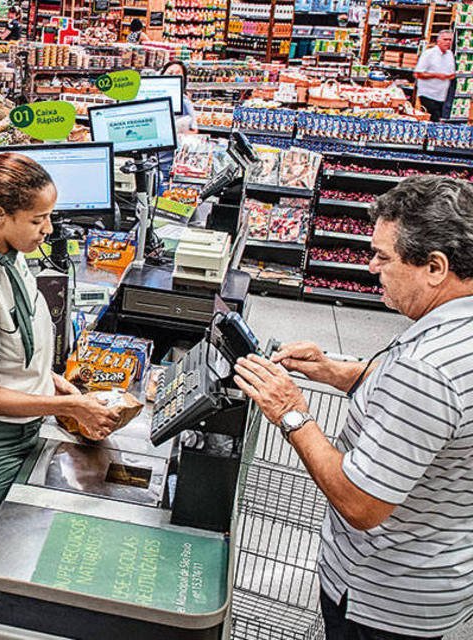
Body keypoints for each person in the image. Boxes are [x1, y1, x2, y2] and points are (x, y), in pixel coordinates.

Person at [233, 175, 473, 639]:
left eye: (383, 256)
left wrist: (291, 412)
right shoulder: (454, 331)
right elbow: (439, 418)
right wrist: (336, 371)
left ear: (436, 267)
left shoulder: (430, 368)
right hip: (440, 569)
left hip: (383, 598)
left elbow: (361, 502)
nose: (370, 267)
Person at [0, 150, 118, 546]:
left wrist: (50, 381)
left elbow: (13, 349)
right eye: (38, 220)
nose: (48, 229)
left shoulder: (10, 254)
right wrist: (70, 407)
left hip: (17, 434)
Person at [158, 60, 198, 188]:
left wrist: (176, 131)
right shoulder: (151, 96)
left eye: (177, 73)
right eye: (170, 73)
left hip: (168, 160)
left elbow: (193, 131)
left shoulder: (184, 102)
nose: (173, 76)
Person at [414, 30, 456, 122]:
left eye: (450, 40)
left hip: (442, 95)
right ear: (438, 41)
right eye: (445, 39)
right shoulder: (429, 54)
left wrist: (450, 76)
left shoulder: (450, 55)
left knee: (437, 120)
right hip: (428, 94)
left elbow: (451, 74)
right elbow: (418, 73)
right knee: (433, 119)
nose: (448, 42)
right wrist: (436, 75)